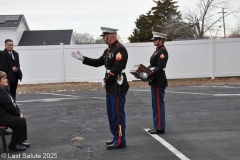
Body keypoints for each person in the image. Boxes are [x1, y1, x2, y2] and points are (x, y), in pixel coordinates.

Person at [71, 27, 129, 149]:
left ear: (111, 35)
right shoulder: (108, 50)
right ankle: (115, 137)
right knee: (111, 114)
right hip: (110, 86)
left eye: (105, 36)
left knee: (117, 115)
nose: (103, 38)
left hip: (117, 85)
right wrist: (83, 58)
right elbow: (98, 62)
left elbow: (117, 69)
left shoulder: (120, 50)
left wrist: (105, 80)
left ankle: (120, 140)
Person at [140, 31, 168, 134]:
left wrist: (149, 73)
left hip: (158, 80)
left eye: (155, 40)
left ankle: (160, 127)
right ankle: (157, 125)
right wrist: (145, 70)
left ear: (161, 41)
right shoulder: (157, 51)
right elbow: (153, 65)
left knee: (158, 105)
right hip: (155, 80)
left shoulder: (162, 52)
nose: (154, 41)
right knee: (155, 105)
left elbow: (160, 67)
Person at [0, 71, 30, 151]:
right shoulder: (0, 90)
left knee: (21, 120)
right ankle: (13, 145)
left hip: (5, 115)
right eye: (4, 78)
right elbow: (8, 105)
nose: (7, 80)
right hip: (2, 117)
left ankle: (19, 141)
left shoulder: (4, 89)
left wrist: (19, 113)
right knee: (19, 122)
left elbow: (13, 103)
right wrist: (17, 114)